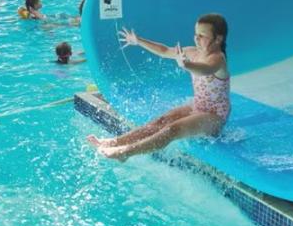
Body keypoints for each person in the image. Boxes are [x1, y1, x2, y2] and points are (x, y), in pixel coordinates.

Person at [88, 14, 230, 161]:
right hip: (198, 106)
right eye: (196, 34)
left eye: (202, 35)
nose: (196, 38)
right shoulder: (192, 52)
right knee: (161, 121)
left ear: (218, 39)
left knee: (172, 129)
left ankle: (125, 152)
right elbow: (164, 50)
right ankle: (114, 142)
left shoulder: (218, 59)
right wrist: (139, 41)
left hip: (215, 116)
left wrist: (187, 65)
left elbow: (205, 69)